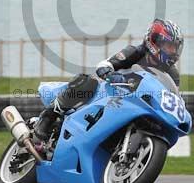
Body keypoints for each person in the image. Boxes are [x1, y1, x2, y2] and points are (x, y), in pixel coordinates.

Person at [33, 19, 184, 141]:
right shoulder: (135, 53)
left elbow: (174, 97)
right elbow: (106, 65)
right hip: (111, 93)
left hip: (137, 104)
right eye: (168, 46)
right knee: (88, 81)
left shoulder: (173, 75)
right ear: (154, 41)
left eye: (175, 47)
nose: (173, 51)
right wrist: (109, 73)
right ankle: (48, 117)